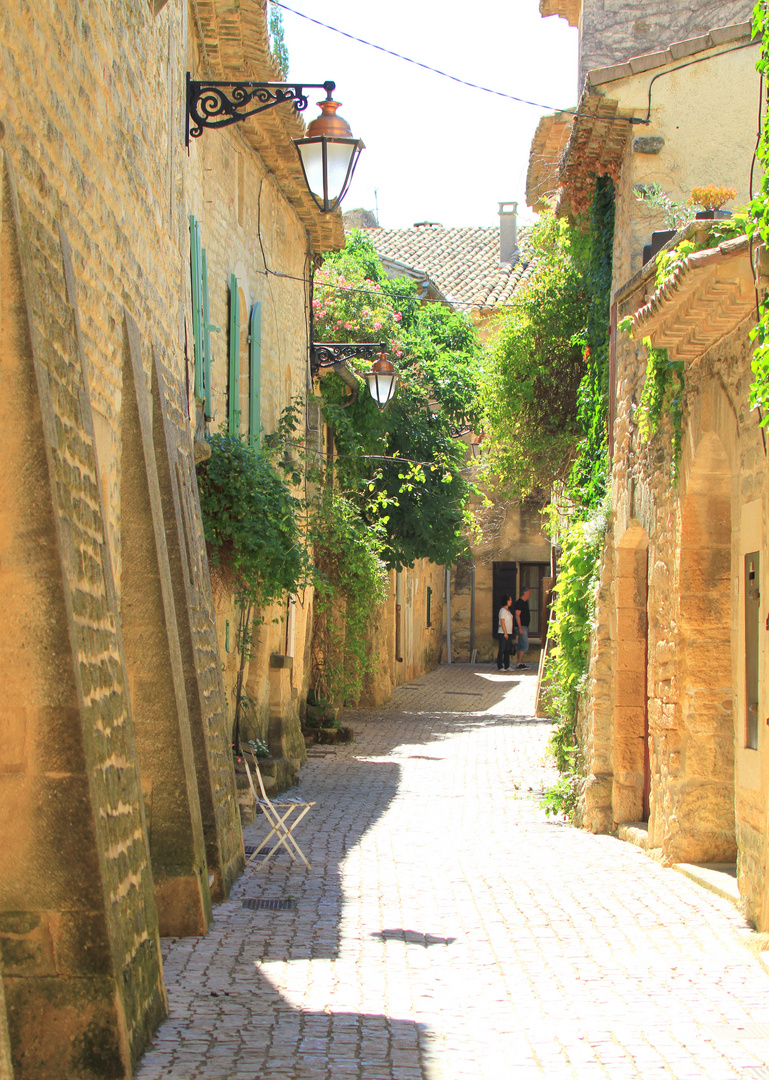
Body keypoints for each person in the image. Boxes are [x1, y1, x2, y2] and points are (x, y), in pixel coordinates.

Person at [514, 587, 531, 669]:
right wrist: (520, 628)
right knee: (525, 645)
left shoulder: (525, 602)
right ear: (525, 593)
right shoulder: (520, 602)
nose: (530, 594)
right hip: (522, 627)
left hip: (524, 626)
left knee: (521, 644)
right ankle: (519, 662)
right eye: (529, 593)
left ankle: (519, 663)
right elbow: (517, 615)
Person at [496, 594, 514, 670]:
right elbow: (502, 621)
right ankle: (500, 665)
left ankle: (507, 665)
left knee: (507, 650)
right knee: (502, 649)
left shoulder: (508, 611)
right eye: (510, 600)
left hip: (509, 632)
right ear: (506, 601)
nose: (511, 601)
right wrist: (505, 632)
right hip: (503, 632)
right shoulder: (502, 610)